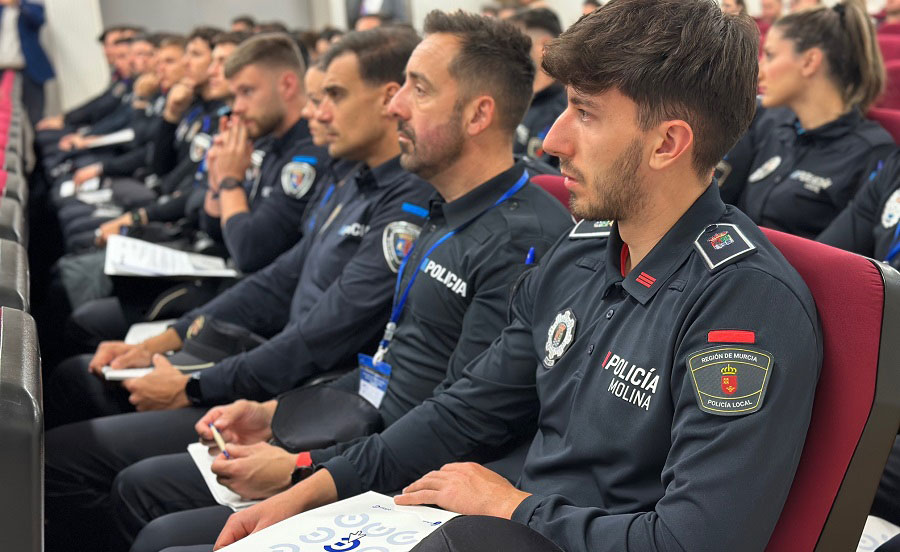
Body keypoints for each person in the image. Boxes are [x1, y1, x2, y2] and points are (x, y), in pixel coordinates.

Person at [211, 2, 822, 552]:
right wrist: (312, 487)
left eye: (584, 112)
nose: (552, 139)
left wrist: (514, 508)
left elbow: (692, 543)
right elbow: (462, 412)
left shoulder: (742, 304)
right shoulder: (580, 251)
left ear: (667, 143)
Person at [105, 13, 573, 550]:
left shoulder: (520, 239)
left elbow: (459, 419)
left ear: (478, 114)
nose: (394, 105)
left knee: (154, 524)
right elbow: (390, 364)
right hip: (362, 437)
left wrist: (303, 469)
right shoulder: (444, 207)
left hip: (407, 480)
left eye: (417, 90)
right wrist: (276, 413)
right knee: (141, 493)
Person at [43, 26, 433, 552]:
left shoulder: (402, 203)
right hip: (277, 375)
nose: (318, 113)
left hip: (312, 396)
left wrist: (196, 384)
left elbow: (318, 331)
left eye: (331, 97)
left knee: (86, 462)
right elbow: (277, 279)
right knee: (79, 413)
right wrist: (172, 340)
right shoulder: (354, 179)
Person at [716, 0, 895, 240]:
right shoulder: (769, 121)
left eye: (770, 55)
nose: (760, 69)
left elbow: (841, 262)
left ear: (810, 62)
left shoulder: (873, 153)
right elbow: (720, 206)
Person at [510, 7, 566, 167]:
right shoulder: (514, 97)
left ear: (544, 45)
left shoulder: (565, 109)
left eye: (516, 44)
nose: (507, 52)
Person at [0, 0, 54, 124]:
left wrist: (17, 4)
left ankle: (39, 142)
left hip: (30, 71)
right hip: (3, 70)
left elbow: (38, 21)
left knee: (36, 116)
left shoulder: (31, 7)